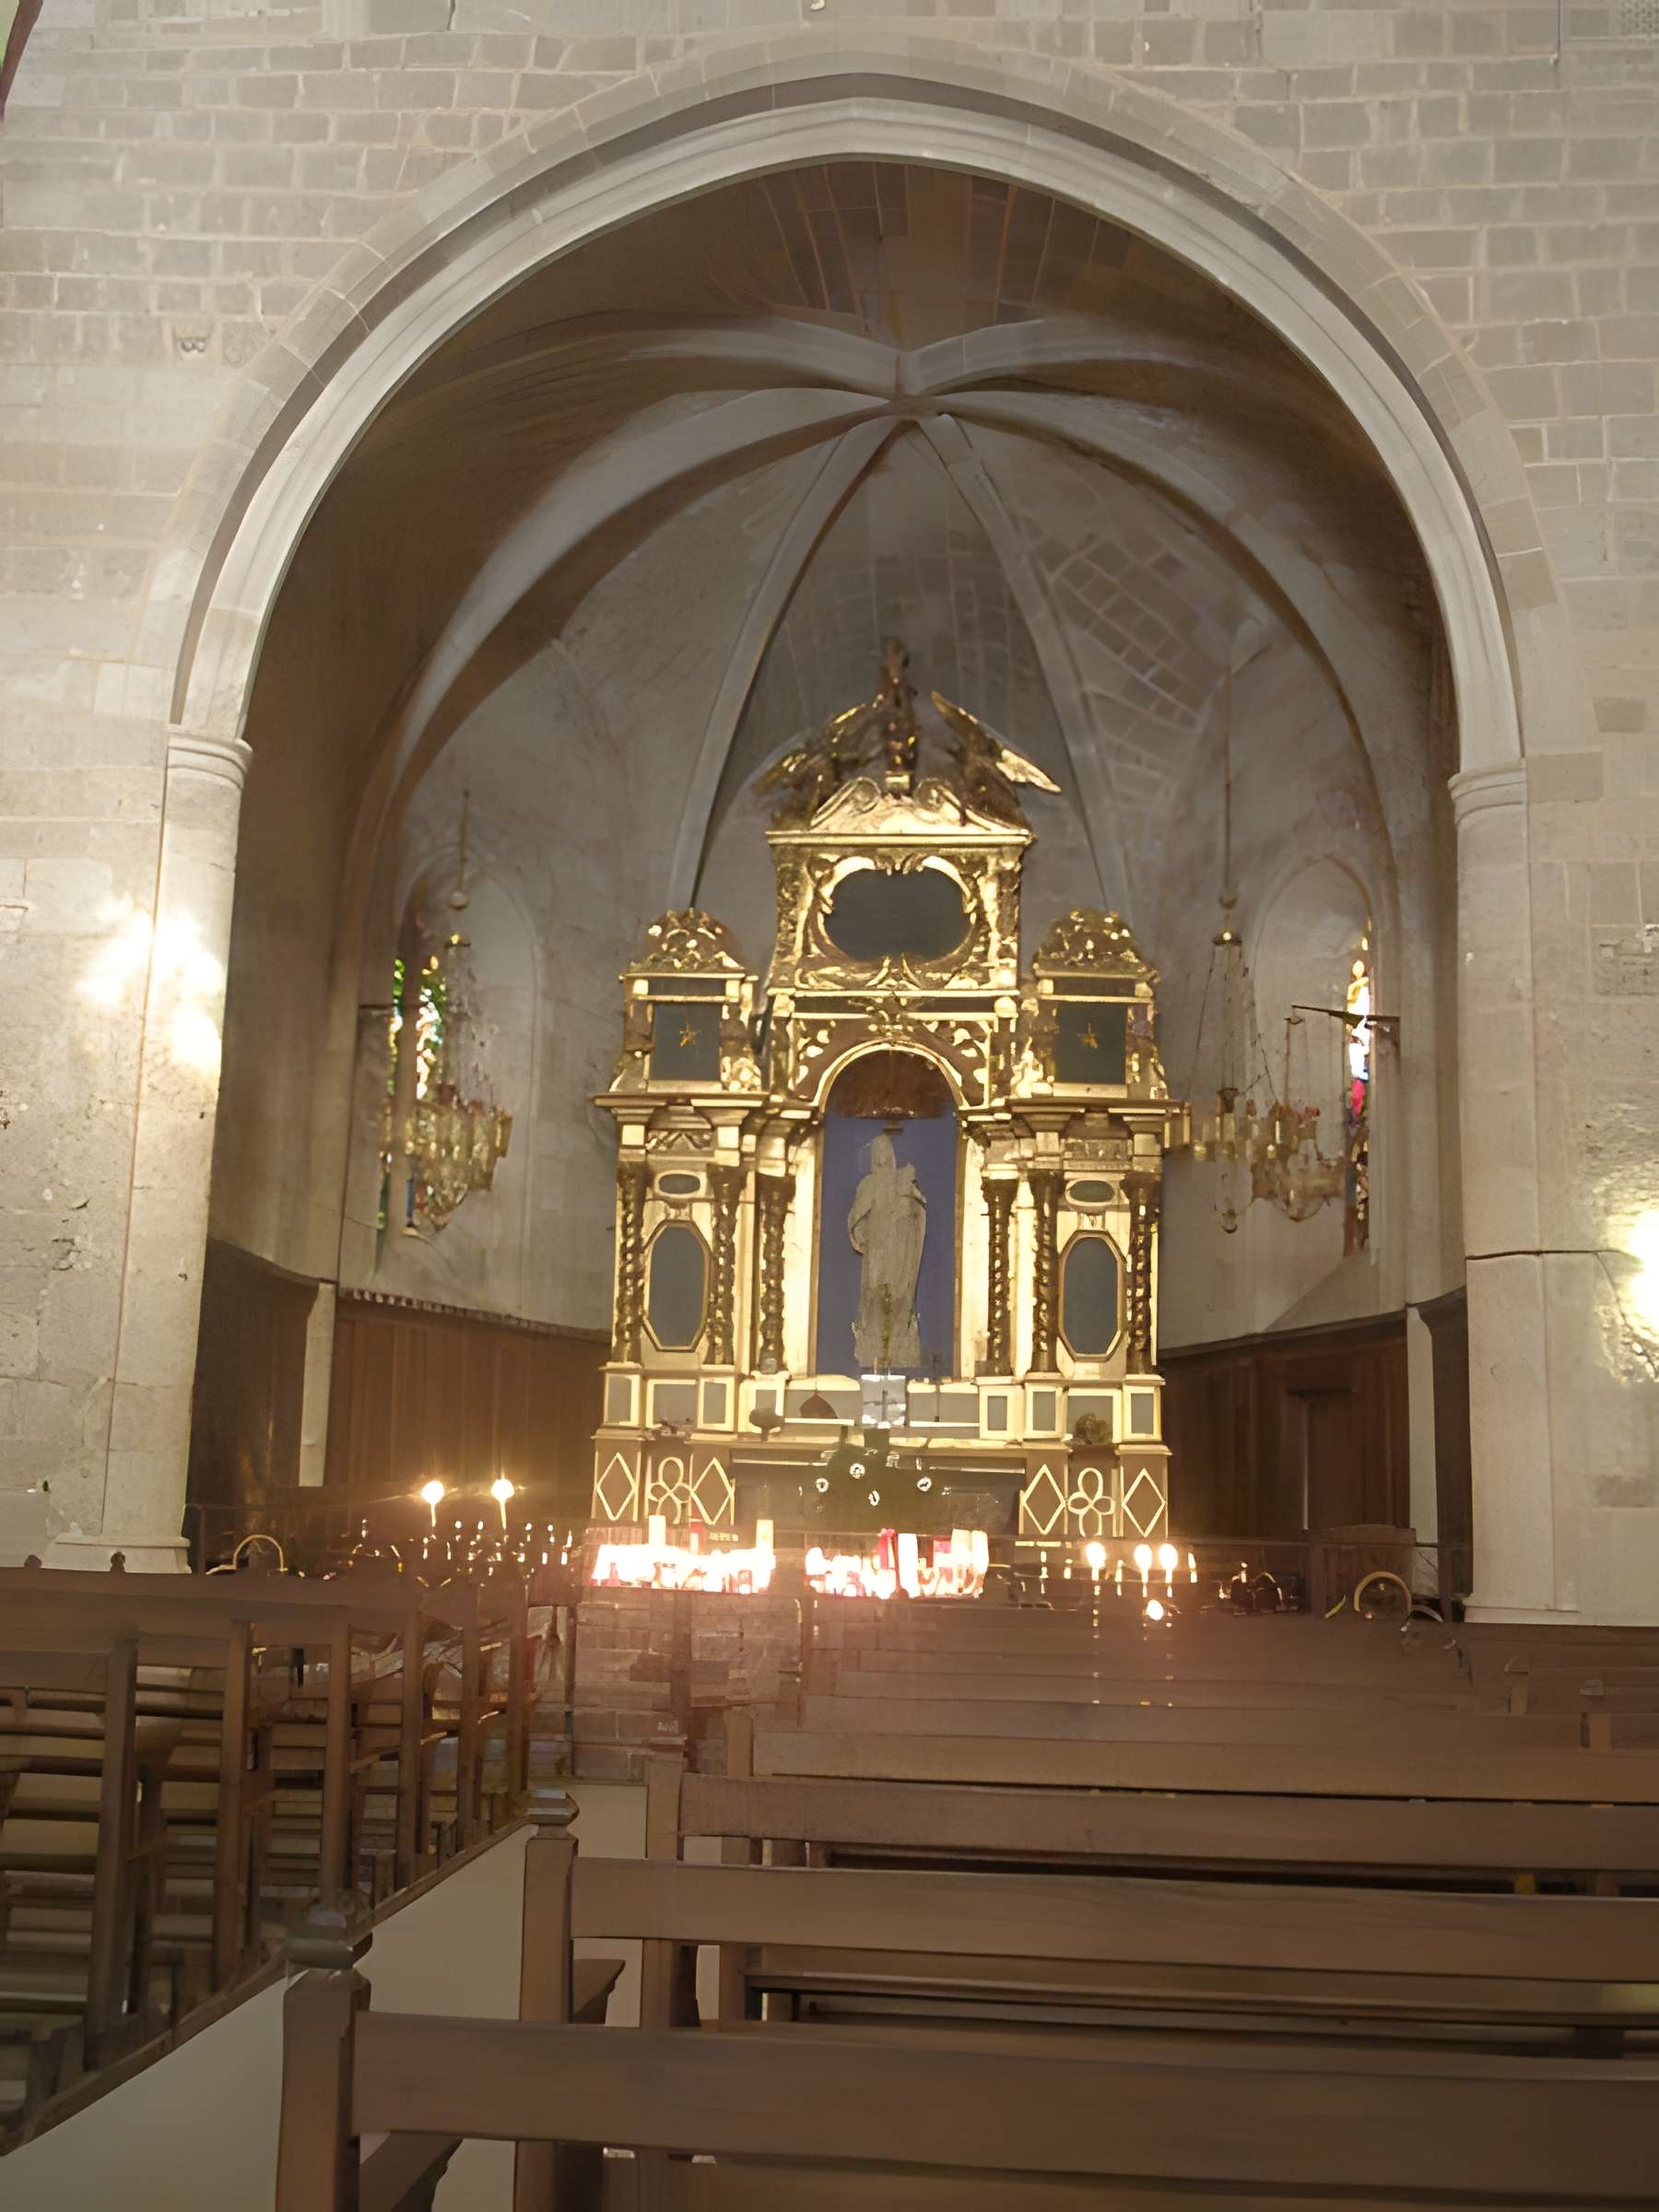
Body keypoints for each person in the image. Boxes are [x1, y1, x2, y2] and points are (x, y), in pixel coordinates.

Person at [847, 1130, 925, 1370]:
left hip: (898, 1252)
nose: (882, 1157)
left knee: (900, 1295)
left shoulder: (902, 1181)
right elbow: (856, 1218)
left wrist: (905, 1209)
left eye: (886, 1152)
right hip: (878, 1252)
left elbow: (918, 1210)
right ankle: (873, 1348)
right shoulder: (868, 1184)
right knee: (874, 1294)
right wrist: (863, 1235)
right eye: (878, 1152)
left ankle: (898, 1348)